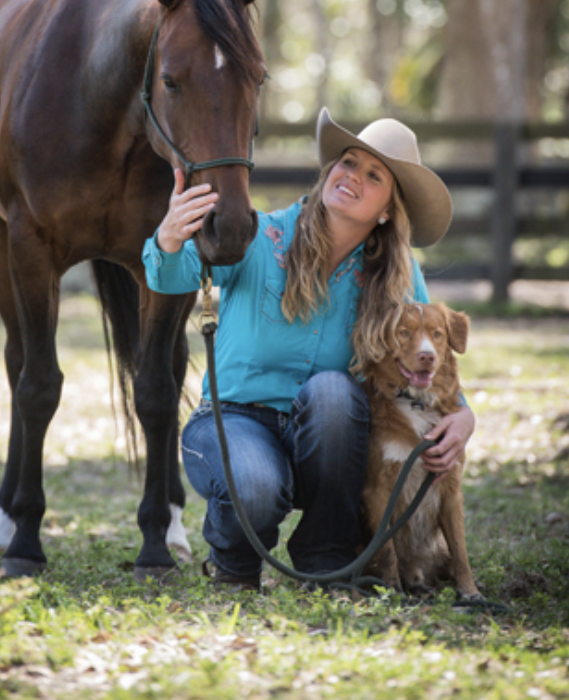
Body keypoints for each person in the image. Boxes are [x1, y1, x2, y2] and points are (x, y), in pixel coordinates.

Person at [142, 108, 475, 591]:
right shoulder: (261, 235)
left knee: (335, 392)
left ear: (386, 210)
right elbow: (172, 277)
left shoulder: (400, 277)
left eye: (374, 175)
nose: (352, 177)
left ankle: (325, 559)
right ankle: (234, 561)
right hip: (234, 418)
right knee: (256, 486)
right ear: (328, 172)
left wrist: (463, 415)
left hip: (328, 443)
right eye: (348, 163)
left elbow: (428, 354)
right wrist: (169, 238)